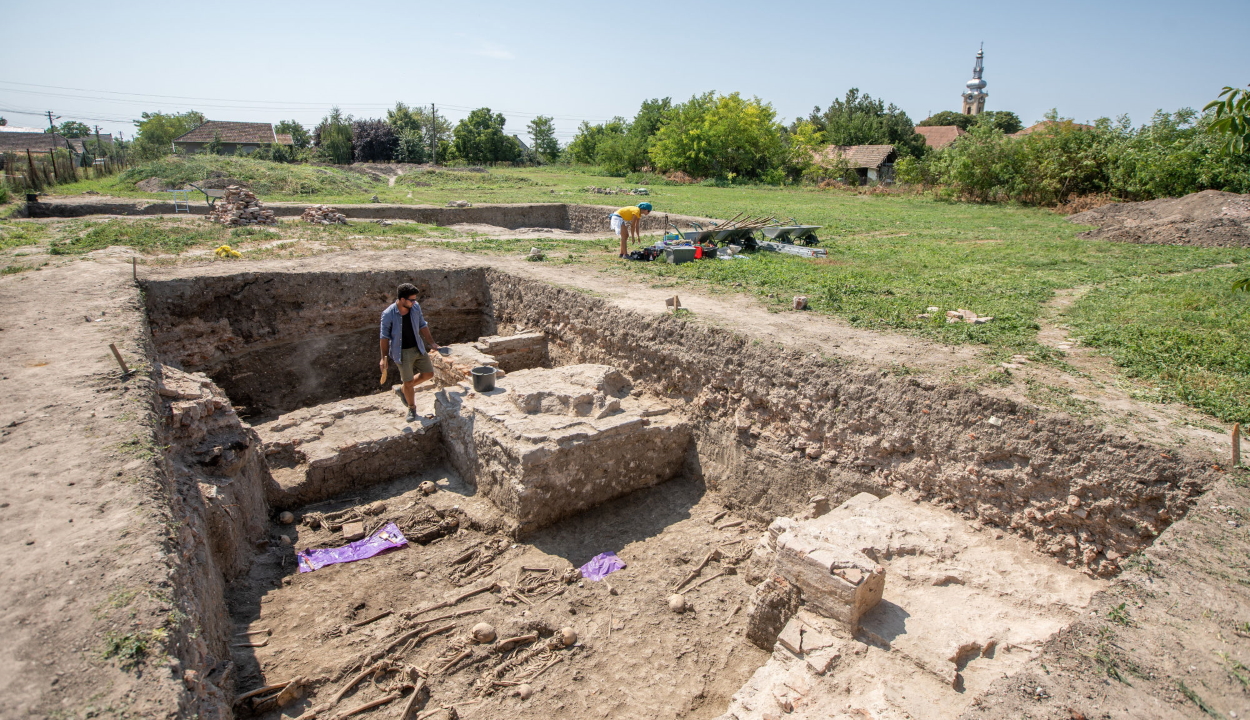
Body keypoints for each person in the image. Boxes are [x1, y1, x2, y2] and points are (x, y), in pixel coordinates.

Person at [380, 283, 440, 422]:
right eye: (411, 300)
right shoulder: (388, 314)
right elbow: (384, 337)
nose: (414, 302)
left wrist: (431, 342)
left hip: (418, 348)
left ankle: (404, 389)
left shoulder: (415, 307)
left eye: (415, 299)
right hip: (401, 352)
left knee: (428, 374)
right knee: (408, 381)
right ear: (402, 299)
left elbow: (422, 325)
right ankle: (412, 408)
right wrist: (383, 358)